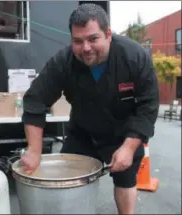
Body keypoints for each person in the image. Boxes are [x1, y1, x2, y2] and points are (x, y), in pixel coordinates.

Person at [21, 3, 159, 214]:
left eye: (93, 38)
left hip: (124, 133)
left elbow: (148, 106)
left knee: (125, 181)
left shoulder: (135, 57)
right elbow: (34, 101)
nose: (85, 48)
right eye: (78, 41)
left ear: (108, 34)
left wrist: (129, 148)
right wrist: (33, 150)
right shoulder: (63, 62)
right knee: (68, 183)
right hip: (82, 133)